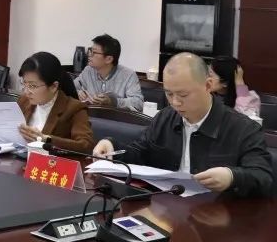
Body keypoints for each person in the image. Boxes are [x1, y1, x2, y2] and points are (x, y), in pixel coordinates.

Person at [94, 53, 272, 197]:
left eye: (183, 95)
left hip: (218, 215)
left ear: (208, 85)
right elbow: (141, 152)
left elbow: (263, 177)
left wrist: (232, 177)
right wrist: (112, 146)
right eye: (169, 94)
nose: (175, 102)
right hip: (166, 210)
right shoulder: (165, 117)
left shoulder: (243, 128)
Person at [8, 51, 93, 152]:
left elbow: (86, 145)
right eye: (24, 83)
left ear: (53, 86)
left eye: (32, 86)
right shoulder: (24, 100)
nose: (26, 91)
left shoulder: (74, 108)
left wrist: (46, 139)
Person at [73, 34, 143, 112]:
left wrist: (113, 101)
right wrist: (78, 93)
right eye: (90, 51)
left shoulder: (128, 75)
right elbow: (71, 87)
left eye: (94, 52)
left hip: (117, 118)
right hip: (93, 116)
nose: (89, 55)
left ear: (108, 59)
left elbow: (138, 103)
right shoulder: (88, 70)